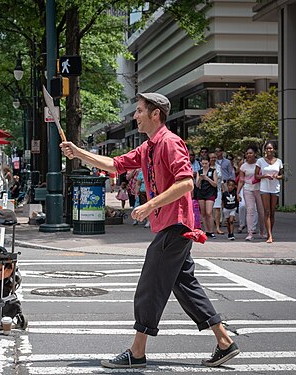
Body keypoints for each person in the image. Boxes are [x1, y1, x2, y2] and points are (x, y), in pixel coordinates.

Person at [60, 92, 238, 369]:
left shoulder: (170, 142)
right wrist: (78, 152)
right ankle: (225, 342)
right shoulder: (148, 147)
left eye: (140, 110)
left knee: (150, 285)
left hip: (176, 225)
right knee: (185, 285)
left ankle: (137, 351)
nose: (135, 116)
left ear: (156, 114)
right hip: (169, 225)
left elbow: (186, 183)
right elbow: (115, 165)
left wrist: (148, 206)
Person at [255, 141, 283, 243]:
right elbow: (256, 175)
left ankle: (270, 231)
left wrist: (277, 176)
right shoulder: (260, 161)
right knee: (266, 211)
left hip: (275, 188)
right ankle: (269, 235)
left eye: (270, 148)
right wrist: (265, 176)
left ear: (274, 149)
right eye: (267, 148)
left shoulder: (279, 161)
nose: (269, 150)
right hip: (264, 188)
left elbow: (282, 175)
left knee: (272, 212)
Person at [237, 145, 265, 241]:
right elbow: (241, 180)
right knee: (250, 210)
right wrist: (237, 192)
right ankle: (250, 233)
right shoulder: (243, 166)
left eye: (251, 153)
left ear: (255, 154)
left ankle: (262, 232)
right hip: (247, 189)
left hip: (259, 189)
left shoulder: (260, 163)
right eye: (247, 153)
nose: (249, 155)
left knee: (261, 211)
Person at [196, 156, 218, 238]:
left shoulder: (213, 171)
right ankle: (206, 231)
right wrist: (200, 179)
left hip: (210, 193)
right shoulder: (199, 171)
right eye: (203, 163)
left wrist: (207, 178)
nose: (204, 165)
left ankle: (211, 231)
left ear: (209, 163)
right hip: (201, 193)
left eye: (206, 163)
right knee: (203, 213)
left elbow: (215, 184)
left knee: (209, 212)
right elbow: (197, 185)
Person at [209, 153, 224, 235]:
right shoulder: (206, 166)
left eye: (214, 157)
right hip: (208, 190)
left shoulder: (218, 167)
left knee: (217, 209)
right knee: (209, 211)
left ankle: (218, 227)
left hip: (217, 190)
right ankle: (210, 229)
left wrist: (223, 188)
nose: (213, 159)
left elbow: (221, 179)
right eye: (211, 158)